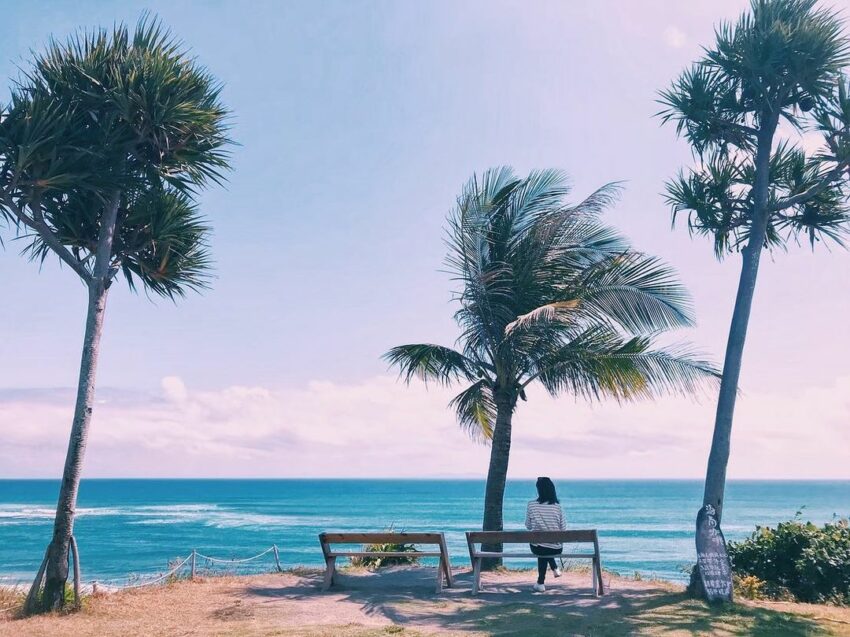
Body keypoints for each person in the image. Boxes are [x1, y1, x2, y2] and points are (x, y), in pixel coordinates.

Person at [525, 477, 565, 592]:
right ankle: (554, 568)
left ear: (539, 490)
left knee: (541, 545)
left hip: (538, 547)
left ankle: (541, 583)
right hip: (556, 548)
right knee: (546, 545)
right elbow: (563, 528)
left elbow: (528, 526)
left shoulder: (531, 505)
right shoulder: (558, 507)